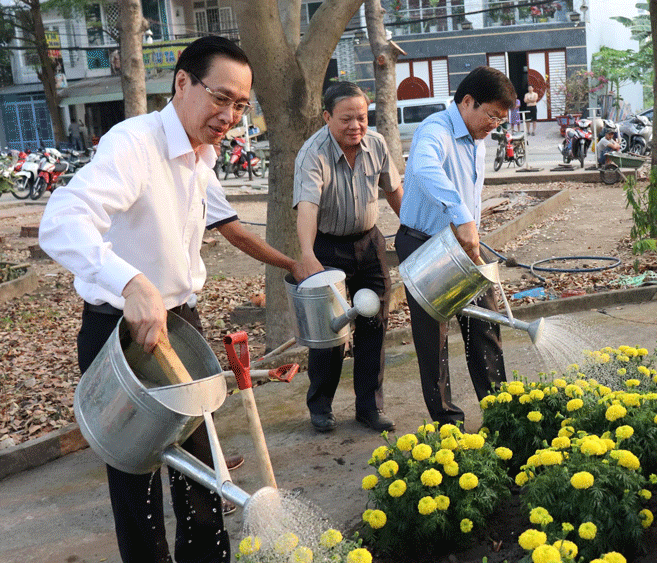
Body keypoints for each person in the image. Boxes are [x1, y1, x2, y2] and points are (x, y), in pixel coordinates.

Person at [38, 35, 308, 563]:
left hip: (179, 326)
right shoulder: (133, 144)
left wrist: (290, 263)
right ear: (182, 82)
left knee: (201, 467)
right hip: (120, 331)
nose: (229, 114)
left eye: (240, 105)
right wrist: (130, 282)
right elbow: (62, 220)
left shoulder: (201, 156)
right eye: (220, 97)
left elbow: (227, 224)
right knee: (135, 480)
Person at [395, 66, 516, 425]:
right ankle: (449, 423)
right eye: (492, 114)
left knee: (485, 326)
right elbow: (424, 167)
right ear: (467, 101)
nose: (495, 123)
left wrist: (469, 227)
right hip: (424, 246)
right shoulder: (435, 130)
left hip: (461, 248)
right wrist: (462, 216)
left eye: (501, 118)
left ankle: (501, 412)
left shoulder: (478, 139)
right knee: (434, 341)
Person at [293, 81, 402, 433]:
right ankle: (321, 407)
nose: (356, 126)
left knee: (374, 324)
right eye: (346, 119)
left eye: (362, 117)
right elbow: (307, 207)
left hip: (369, 244)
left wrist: (416, 230)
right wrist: (308, 255)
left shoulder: (377, 144)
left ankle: (369, 407)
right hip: (328, 248)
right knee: (331, 333)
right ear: (327, 117)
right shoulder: (313, 154)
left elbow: (395, 191)